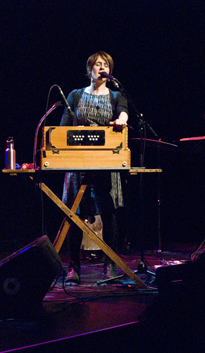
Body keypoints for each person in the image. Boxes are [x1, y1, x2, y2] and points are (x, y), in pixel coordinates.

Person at [60, 51, 129, 284]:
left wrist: (122, 119)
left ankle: (109, 266)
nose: (102, 67)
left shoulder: (116, 95)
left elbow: (123, 111)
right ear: (90, 69)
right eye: (98, 64)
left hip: (106, 163)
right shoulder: (75, 95)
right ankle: (74, 268)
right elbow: (63, 128)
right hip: (77, 164)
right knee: (76, 215)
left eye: (106, 64)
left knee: (108, 215)